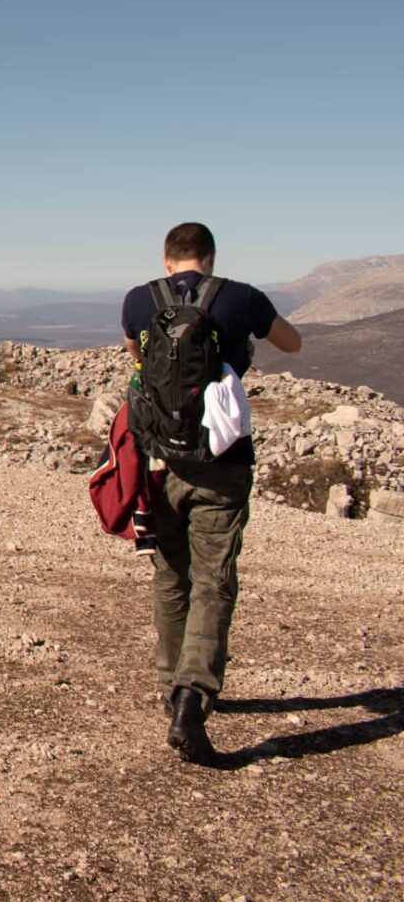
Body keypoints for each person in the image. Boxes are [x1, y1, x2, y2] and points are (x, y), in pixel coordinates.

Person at [121, 222, 302, 764]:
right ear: (211, 257)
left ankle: (171, 686)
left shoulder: (139, 300)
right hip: (223, 461)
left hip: (159, 460)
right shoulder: (241, 297)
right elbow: (292, 343)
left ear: (166, 259)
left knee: (170, 574)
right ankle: (192, 701)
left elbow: (134, 355)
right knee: (213, 581)